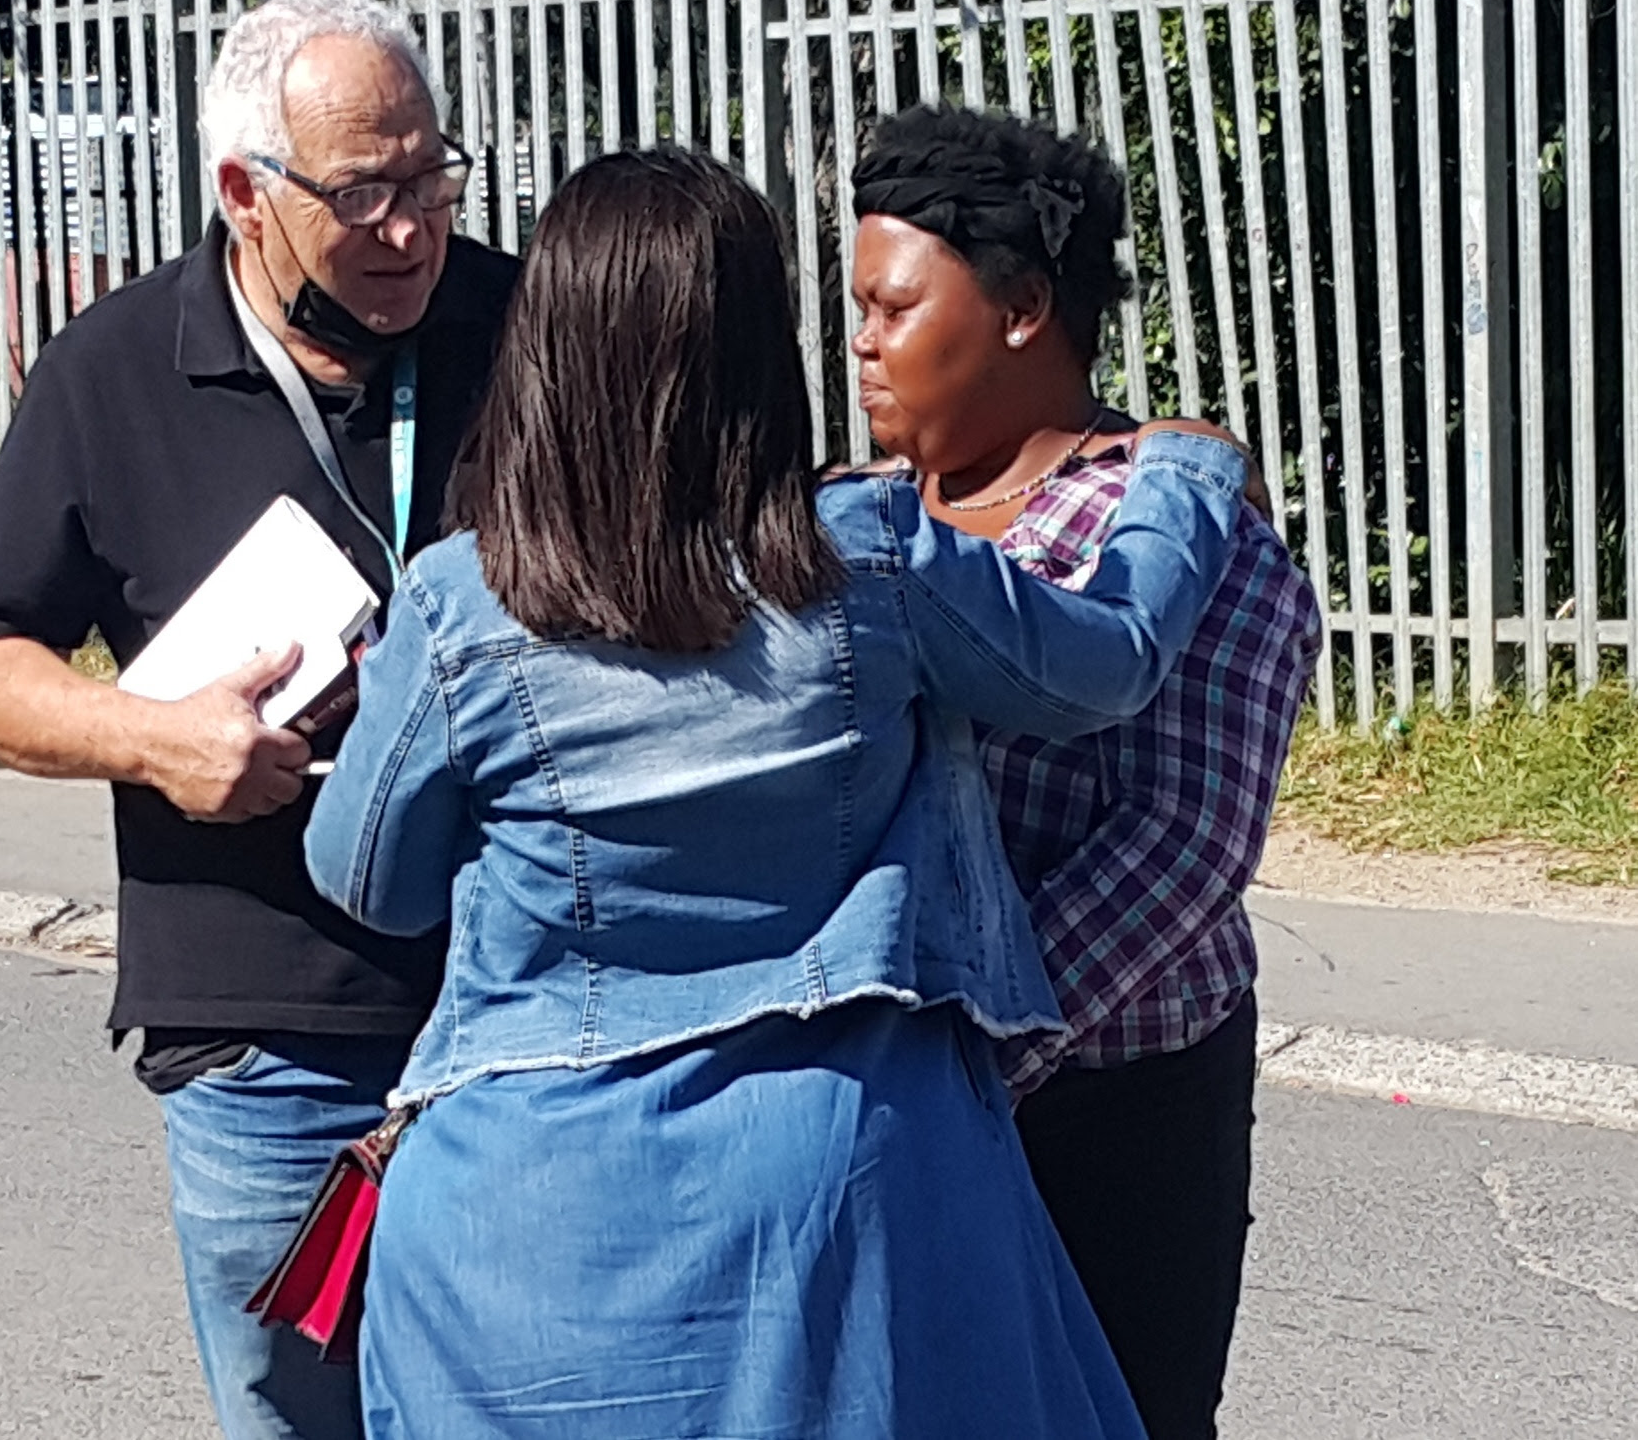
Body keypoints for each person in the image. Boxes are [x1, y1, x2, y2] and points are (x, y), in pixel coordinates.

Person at [302, 145, 1254, 1440]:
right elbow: (1114, 662)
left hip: (519, 1213)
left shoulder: (459, 607)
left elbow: (366, 882)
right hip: (823, 1188)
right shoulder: (867, 561)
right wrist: (1182, 479)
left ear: (542, 352)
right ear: (761, 352)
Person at [0, 0, 518, 1440]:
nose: (410, 231)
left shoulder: (526, 325)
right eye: (362, 192)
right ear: (246, 194)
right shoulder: (113, 370)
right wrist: (156, 740)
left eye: (432, 178)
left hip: (522, 1005)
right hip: (272, 1043)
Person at [849, 104, 1322, 1440]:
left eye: (893, 308)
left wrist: (969, 1050)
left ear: (1021, 310)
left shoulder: (1179, 531)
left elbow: (1185, 843)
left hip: (1112, 1115)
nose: (863, 344)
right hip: (895, 1088)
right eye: (857, 309)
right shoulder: (863, 517)